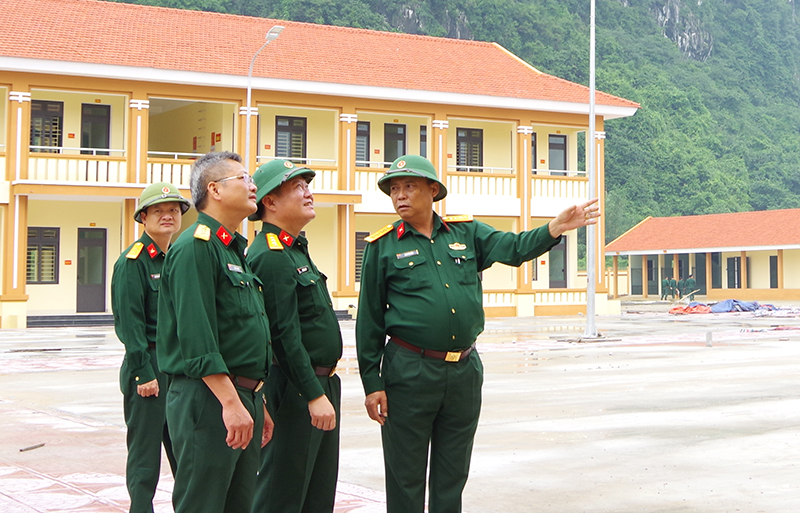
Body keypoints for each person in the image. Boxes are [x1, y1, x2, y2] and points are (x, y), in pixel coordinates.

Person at [355, 154, 601, 513]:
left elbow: (514, 248)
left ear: (433, 190)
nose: (400, 196)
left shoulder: (466, 232)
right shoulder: (382, 246)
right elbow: (370, 318)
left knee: (452, 474)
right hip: (409, 370)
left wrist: (554, 228)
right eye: (394, 189)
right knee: (405, 477)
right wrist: (371, 382)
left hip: (464, 372)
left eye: (409, 186)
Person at [156, 151, 274, 513]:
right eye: (244, 178)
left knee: (238, 504)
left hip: (241, 398)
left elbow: (240, 333)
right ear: (215, 190)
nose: (253, 185)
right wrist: (230, 402)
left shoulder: (232, 250)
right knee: (203, 504)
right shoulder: (196, 247)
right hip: (208, 400)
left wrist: (257, 400)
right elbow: (198, 336)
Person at [247, 159, 343, 513]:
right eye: (298, 187)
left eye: (307, 184)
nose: (308, 192)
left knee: (316, 495)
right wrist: (312, 393)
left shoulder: (293, 248)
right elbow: (283, 336)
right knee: (282, 493)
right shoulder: (270, 256)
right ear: (270, 201)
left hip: (319, 385)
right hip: (294, 390)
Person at [111, 181, 189, 513]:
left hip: (177, 367)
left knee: (185, 451)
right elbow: (130, 326)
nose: (167, 216)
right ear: (143, 217)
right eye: (158, 210)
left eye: (173, 210)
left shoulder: (178, 257)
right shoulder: (133, 261)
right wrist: (144, 374)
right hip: (149, 366)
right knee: (145, 456)